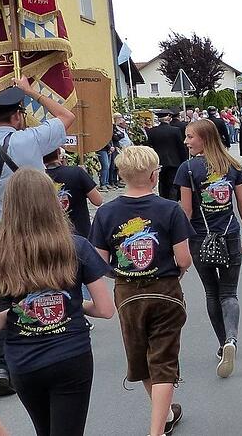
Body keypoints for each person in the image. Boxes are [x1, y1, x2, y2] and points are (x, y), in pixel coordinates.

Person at [0, 169, 115, 436]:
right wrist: (75, 306)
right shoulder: (76, 246)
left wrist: (21, 311)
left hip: (23, 360)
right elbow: (106, 309)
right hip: (71, 354)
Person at [89, 146, 193, 436]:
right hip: (165, 289)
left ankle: (165, 416)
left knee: (142, 357)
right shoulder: (169, 209)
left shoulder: (107, 212)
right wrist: (176, 273)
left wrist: (120, 274)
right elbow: (184, 259)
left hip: (128, 293)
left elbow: (99, 261)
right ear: (153, 174)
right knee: (164, 358)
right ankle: (157, 428)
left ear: (121, 175)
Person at [0, 78, 75, 397]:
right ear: (18, 116)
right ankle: (54, 347)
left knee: (3, 295)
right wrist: (31, 90)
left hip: (1, 230)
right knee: (50, 283)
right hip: (41, 226)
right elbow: (67, 117)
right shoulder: (30, 140)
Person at [174, 120, 242, 379]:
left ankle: (222, 344)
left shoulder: (187, 169)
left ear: (204, 139)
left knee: (212, 292)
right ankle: (232, 339)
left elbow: (186, 210)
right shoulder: (231, 165)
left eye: (190, 137)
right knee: (229, 292)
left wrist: (180, 242)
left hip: (201, 237)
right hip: (230, 234)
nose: (186, 142)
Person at [44, 148, 103, 238]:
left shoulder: (39, 177)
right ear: (59, 153)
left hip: (51, 236)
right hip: (80, 233)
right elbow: (98, 201)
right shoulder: (76, 172)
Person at [145, 110, 188, 201]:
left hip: (160, 161)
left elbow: (149, 146)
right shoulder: (175, 130)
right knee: (173, 182)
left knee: (162, 181)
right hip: (174, 160)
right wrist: (184, 160)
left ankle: (163, 199)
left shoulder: (152, 131)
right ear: (168, 117)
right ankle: (172, 200)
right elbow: (181, 147)